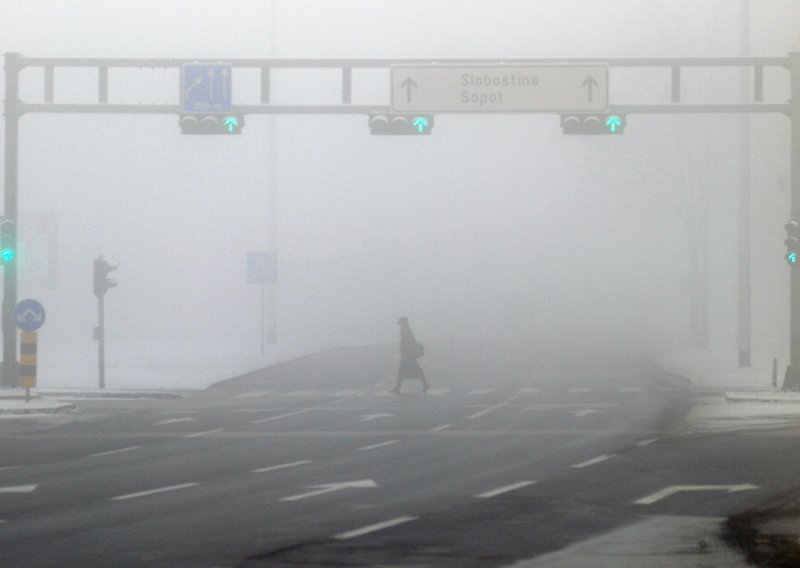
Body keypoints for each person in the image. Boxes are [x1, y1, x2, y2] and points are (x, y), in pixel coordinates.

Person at [391, 316, 430, 394]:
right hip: (408, 355)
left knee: (404, 371)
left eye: (401, 323)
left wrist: (406, 353)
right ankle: (425, 385)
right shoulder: (406, 330)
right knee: (413, 371)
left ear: (404, 323)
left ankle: (397, 388)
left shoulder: (406, 331)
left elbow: (409, 343)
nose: (400, 324)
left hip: (408, 356)